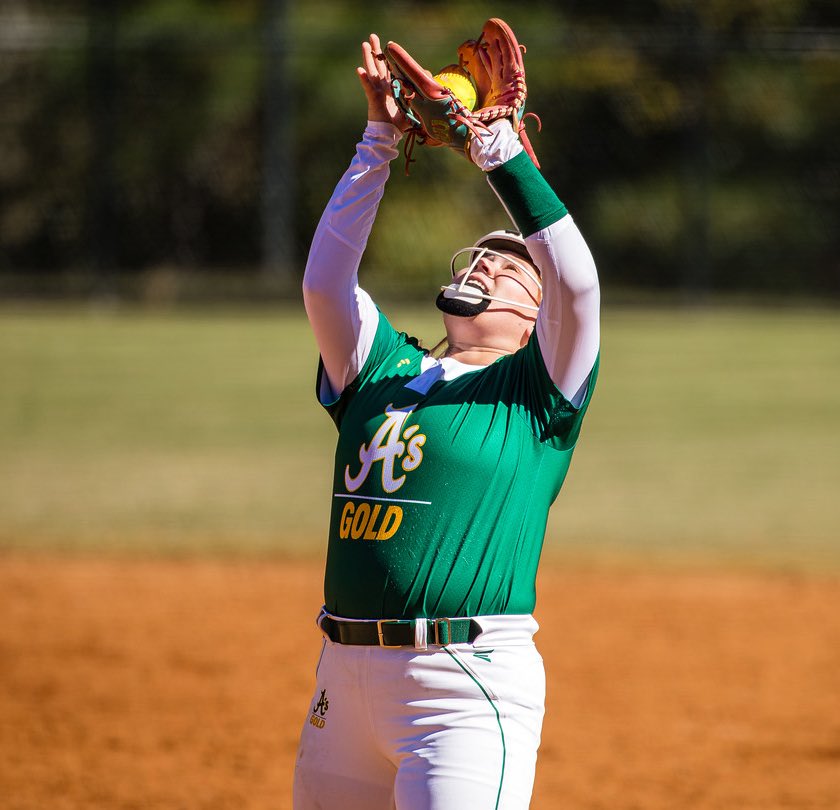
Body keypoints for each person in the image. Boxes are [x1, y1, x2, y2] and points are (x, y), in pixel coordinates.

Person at [293, 32, 600, 810]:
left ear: (538, 321)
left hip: (463, 689)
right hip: (340, 680)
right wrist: (380, 137)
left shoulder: (537, 394)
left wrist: (493, 144)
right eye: (481, 257)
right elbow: (327, 282)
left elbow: (578, 282)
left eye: (511, 267)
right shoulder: (382, 369)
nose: (489, 263)